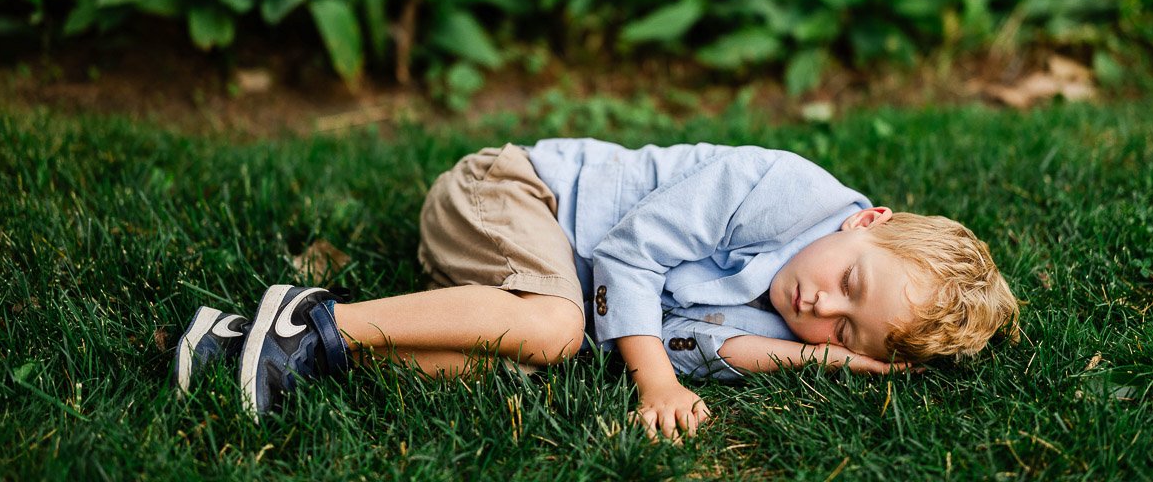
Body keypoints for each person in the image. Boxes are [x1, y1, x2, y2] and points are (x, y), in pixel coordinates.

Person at [172, 139, 1019, 440]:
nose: (819, 309)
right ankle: (314, 321)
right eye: (848, 285)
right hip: (507, 196)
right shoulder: (782, 192)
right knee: (555, 334)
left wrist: (816, 364)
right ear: (867, 223)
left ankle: (242, 343)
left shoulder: (809, 310)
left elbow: (689, 342)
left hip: (521, 284)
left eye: (846, 332)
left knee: (525, 361)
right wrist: (653, 380)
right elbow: (630, 258)